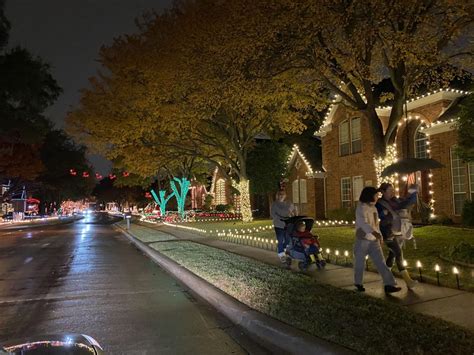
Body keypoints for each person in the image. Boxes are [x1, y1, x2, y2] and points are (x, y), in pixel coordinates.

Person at [354, 187, 401, 294]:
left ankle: (389, 284)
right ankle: (358, 283)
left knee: (381, 263)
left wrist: (379, 235)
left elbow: (376, 224)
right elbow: (363, 223)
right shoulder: (361, 207)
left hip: (374, 241)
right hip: (363, 240)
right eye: (376, 195)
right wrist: (375, 233)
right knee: (360, 263)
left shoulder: (374, 208)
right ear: (369, 195)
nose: (377, 197)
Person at [376, 183, 418, 289]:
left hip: (398, 232)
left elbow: (405, 203)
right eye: (390, 190)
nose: (392, 192)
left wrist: (413, 193)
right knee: (398, 253)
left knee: (392, 255)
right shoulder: (380, 203)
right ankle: (408, 282)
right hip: (388, 232)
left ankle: (386, 278)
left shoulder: (395, 200)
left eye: (393, 190)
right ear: (383, 192)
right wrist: (383, 214)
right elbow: (377, 214)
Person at [270, 190, 296, 264]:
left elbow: (292, 211)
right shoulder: (274, 204)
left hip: (288, 224)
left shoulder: (289, 203)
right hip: (278, 224)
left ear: (285, 195)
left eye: (283, 194)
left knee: (287, 239)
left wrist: (292, 216)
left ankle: (282, 248)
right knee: (280, 239)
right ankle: (281, 254)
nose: (281, 195)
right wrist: (280, 218)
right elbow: (273, 214)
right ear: (277, 195)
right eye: (280, 194)